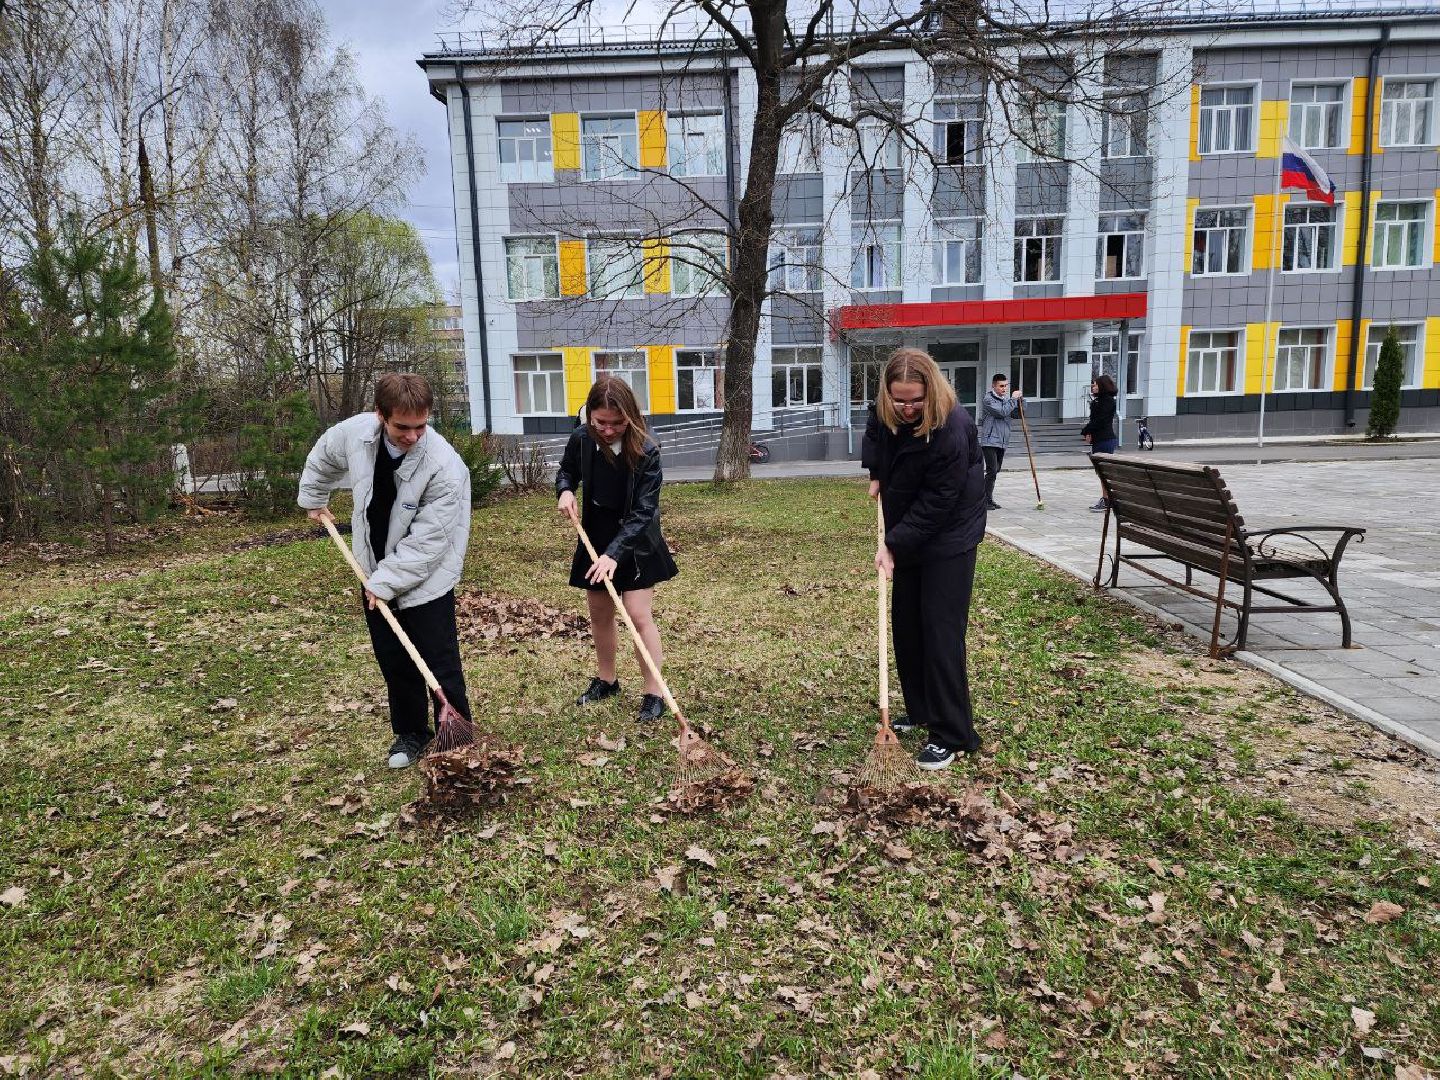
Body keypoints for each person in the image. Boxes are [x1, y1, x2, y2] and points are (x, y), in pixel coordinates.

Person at [297, 373, 472, 770]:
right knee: (394, 656)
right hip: (373, 565)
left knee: (437, 658)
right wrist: (314, 496)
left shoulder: (445, 466)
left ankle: (456, 736)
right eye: (402, 427)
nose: (413, 436)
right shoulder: (357, 433)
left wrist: (385, 583)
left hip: (427, 574)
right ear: (380, 416)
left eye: (421, 426)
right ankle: (411, 733)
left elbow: (430, 541)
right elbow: (324, 454)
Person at [862, 348, 987, 770]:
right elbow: (875, 430)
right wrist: (875, 472)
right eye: (900, 400)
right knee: (908, 626)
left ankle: (953, 733)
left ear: (930, 390)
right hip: (910, 527)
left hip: (950, 535)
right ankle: (920, 710)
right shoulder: (887, 409)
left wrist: (893, 544)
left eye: (916, 399)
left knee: (940, 633)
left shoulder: (952, 429)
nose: (909, 408)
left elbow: (939, 502)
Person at [556, 376, 679, 725]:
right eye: (600, 422)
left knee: (638, 615)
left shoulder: (647, 451)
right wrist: (565, 490)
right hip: (595, 536)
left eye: (616, 423)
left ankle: (653, 691)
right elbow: (567, 471)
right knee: (599, 612)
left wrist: (614, 554)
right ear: (590, 416)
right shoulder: (581, 439)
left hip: (636, 542)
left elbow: (644, 512)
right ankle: (607, 680)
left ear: (630, 417)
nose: (607, 430)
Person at [978, 372, 1023, 510]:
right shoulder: (988, 399)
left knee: (996, 470)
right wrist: (1013, 400)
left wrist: (1021, 400)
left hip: (1002, 441)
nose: (1004, 389)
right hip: (990, 440)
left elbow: (1018, 413)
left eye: (1006, 386)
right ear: (994, 385)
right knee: (992, 470)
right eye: (1001, 386)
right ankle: (984, 500)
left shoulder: (1007, 400)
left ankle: (988, 498)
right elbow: (1002, 412)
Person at [1082, 373, 1120, 512]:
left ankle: (1107, 500)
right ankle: (1106, 499)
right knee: (1101, 472)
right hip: (1099, 439)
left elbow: (1100, 421)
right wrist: (1089, 433)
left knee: (1103, 472)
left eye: (1095, 384)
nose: (1093, 387)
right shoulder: (1097, 401)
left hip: (1105, 440)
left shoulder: (1108, 401)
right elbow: (1094, 420)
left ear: (1102, 386)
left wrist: (1086, 430)